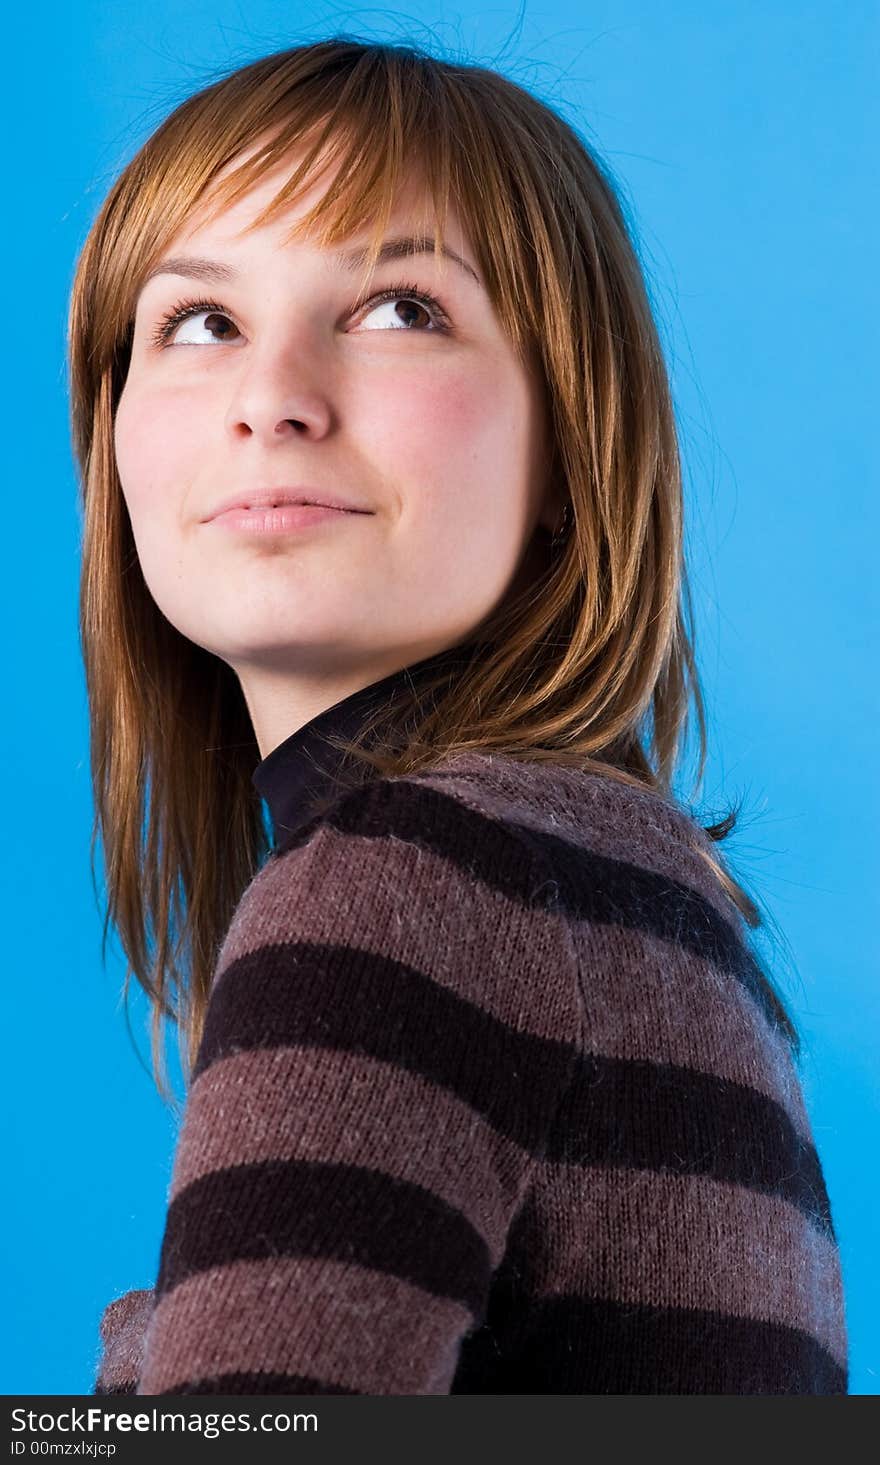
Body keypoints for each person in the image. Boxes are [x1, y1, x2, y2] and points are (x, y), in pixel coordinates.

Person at [70, 38, 847, 1395]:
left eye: (397, 309)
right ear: (111, 427)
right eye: (202, 323)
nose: (272, 401)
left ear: (570, 445)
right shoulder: (630, 893)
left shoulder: (413, 881)